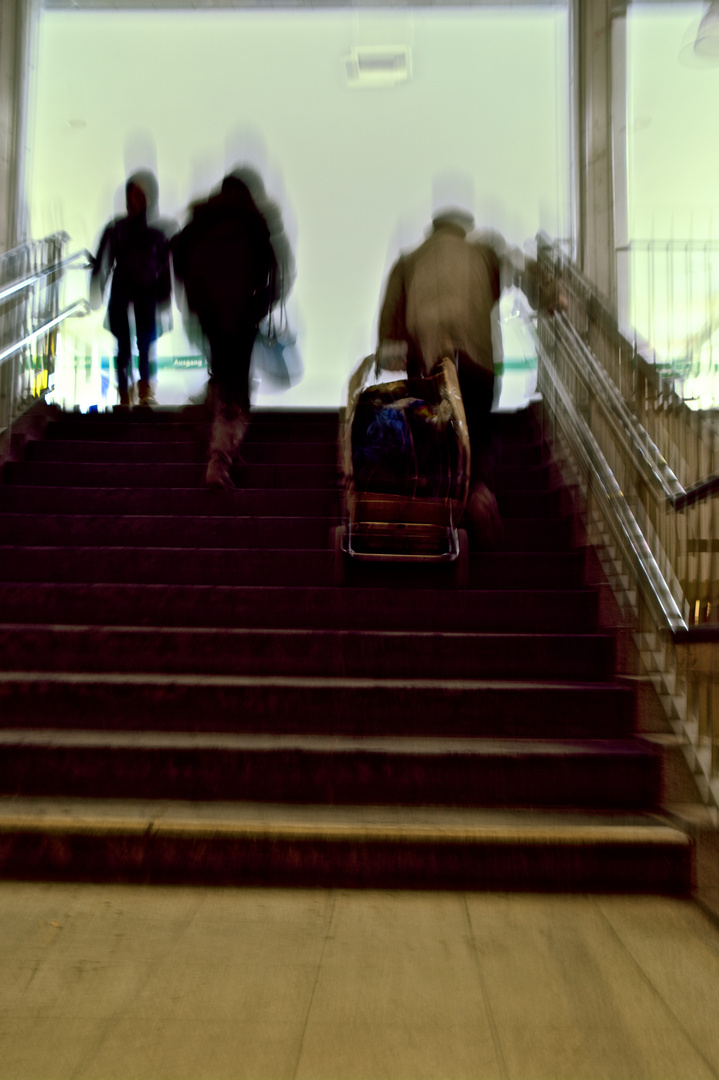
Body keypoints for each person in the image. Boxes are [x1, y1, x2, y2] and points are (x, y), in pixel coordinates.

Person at [377, 208, 553, 545]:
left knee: (434, 431)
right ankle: (480, 490)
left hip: (430, 363)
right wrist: (548, 294)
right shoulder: (483, 249)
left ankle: (442, 509)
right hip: (477, 361)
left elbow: (390, 321)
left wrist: (390, 345)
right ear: (463, 228)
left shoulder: (410, 259)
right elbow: (519, 268)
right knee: (481, 429)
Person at [172, 168, 293, 488]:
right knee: (235, 387)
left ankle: (225, 443)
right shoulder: (253, 220)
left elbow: (178, 250)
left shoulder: (202, 217)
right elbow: (276, 272)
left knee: (225, 375)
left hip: (209, 311)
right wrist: (260, 305)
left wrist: (195, 299)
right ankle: (219, 461)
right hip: (240, 311)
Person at [90, 170, 173, 407]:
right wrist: (98, 284)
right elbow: (103, 262)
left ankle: (142, 391)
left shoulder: (154, 234)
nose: (134, 201)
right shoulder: (120, 229)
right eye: (132, 195)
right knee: (126, 346)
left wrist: (164, 292)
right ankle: (126, 392)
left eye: (139, 195)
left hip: (144, 289)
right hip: (126, 288)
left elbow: (163, 267)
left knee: (144, 344)